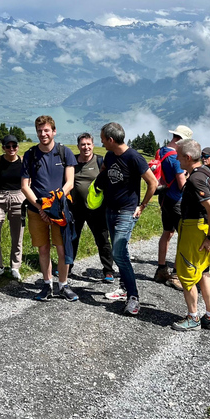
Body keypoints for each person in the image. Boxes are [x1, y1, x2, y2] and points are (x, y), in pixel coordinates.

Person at [100, 122, 158, 316]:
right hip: (110, 210)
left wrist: (142, 206)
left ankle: (133, 297)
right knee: (121, 251)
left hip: (126, 211)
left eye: (102, 138)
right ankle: (124, 288)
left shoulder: (134, 157)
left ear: (110, 139)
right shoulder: (109, 156)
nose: (101, 142)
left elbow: (153, 182)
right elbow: (104, 176)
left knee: (118, 252)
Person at [21, 115, 79, 302]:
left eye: (46, 130)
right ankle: (47, 285)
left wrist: (54, 204)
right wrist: (41, 208)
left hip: (59, 209)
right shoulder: (30, 155)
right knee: (43, 249)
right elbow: (25, 186)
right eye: (39, 131)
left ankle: (63, 285)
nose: (43, 134)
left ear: (54, 131)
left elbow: (70, 182)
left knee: (62, 249)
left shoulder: (64, 152)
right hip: (37, 210)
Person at [171, 139, 210, 331]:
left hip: (195, 230)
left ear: (187, 157)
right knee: (204, 273)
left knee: (186, 274)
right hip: (202, 228)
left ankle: (192, 317)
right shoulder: (206, 171)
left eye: (179, 156)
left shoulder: (195, 179)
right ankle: (209, 316)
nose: (177, 159)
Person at [70, 133, 115, 282]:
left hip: (97, 210)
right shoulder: (72, 162)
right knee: (72, 239)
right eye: (83, 144)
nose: (86, 147)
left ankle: (108, 271)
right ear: (78, 146)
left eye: (88, 144)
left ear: (93, 145)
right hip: (75, 209)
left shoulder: (100, 161)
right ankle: (67, 267)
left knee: (102, 239)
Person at [154, 125, 192, 291]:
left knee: (167, 233)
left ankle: (161, 269)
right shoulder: (177, 157)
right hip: (177, 200)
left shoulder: (161, 151)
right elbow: (182, 183)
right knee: (183, 237)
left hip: (164, 198)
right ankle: (176, 275)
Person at [0, 134, 25, 280]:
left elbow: (28, 182)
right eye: (7, 146)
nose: (11, 149)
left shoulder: (23, 162)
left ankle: (15, 267)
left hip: (18, 198)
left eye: (14, 146)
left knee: (17, 236)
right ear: (3, 148)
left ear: (17, 147)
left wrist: (25, 198)